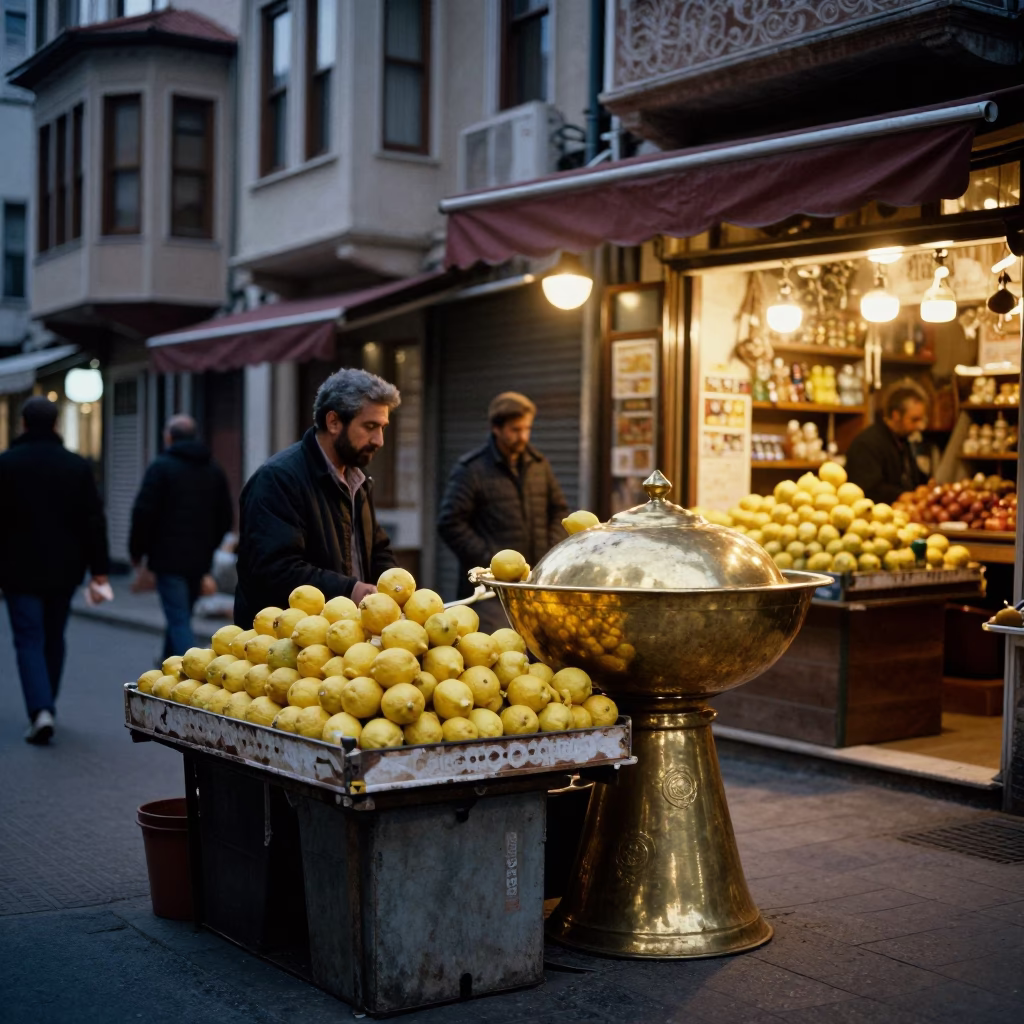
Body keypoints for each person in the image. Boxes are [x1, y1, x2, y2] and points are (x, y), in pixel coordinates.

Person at [234, 368, 401, 628]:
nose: (379, 440)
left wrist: (395, 588)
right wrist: (351, 590)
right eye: (370, 426)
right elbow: (275, 570)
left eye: (382, 428)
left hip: (346, 636)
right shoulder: (278, 479)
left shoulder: (358, 479)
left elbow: (377, 549)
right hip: (284, 643)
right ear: (333, 422)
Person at [0, 395, 110, 744]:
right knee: (54, 636)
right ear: (57, 425)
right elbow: (94, 521)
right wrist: (100, 570)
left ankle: (40, 709)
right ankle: (48, 704)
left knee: (28, 639)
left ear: (23, 424)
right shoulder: (75, 466)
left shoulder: (7, 464)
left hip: (18, 570)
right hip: (65, 569)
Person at [438, 391, 569, 629]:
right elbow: (450, 523)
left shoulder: (539, 465)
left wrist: (551, 552)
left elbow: (559, 511)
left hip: (535, 587)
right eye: (515, 430)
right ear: (496, 429)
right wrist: (491, 561)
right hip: (489, 594)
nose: (523, 436)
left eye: (527, 429)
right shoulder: (471, 469)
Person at [130, 414, 234, 661]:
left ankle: (190, 669)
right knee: (181, 613)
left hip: (167, 558)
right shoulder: (213, 468)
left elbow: (143, 512)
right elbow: (225, 515)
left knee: (178, 617)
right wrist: (210, 545)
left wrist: (137, 551)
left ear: (168, 437)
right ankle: (166, 662)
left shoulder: (161, 467)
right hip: (200, 558)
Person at [845, 386, 929, 504]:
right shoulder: (867, 443)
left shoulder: (903, 439)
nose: (920, 426)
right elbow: (869, 488)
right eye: (914, 420)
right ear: (896, 415)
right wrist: (902, 495)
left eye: (921, 420)